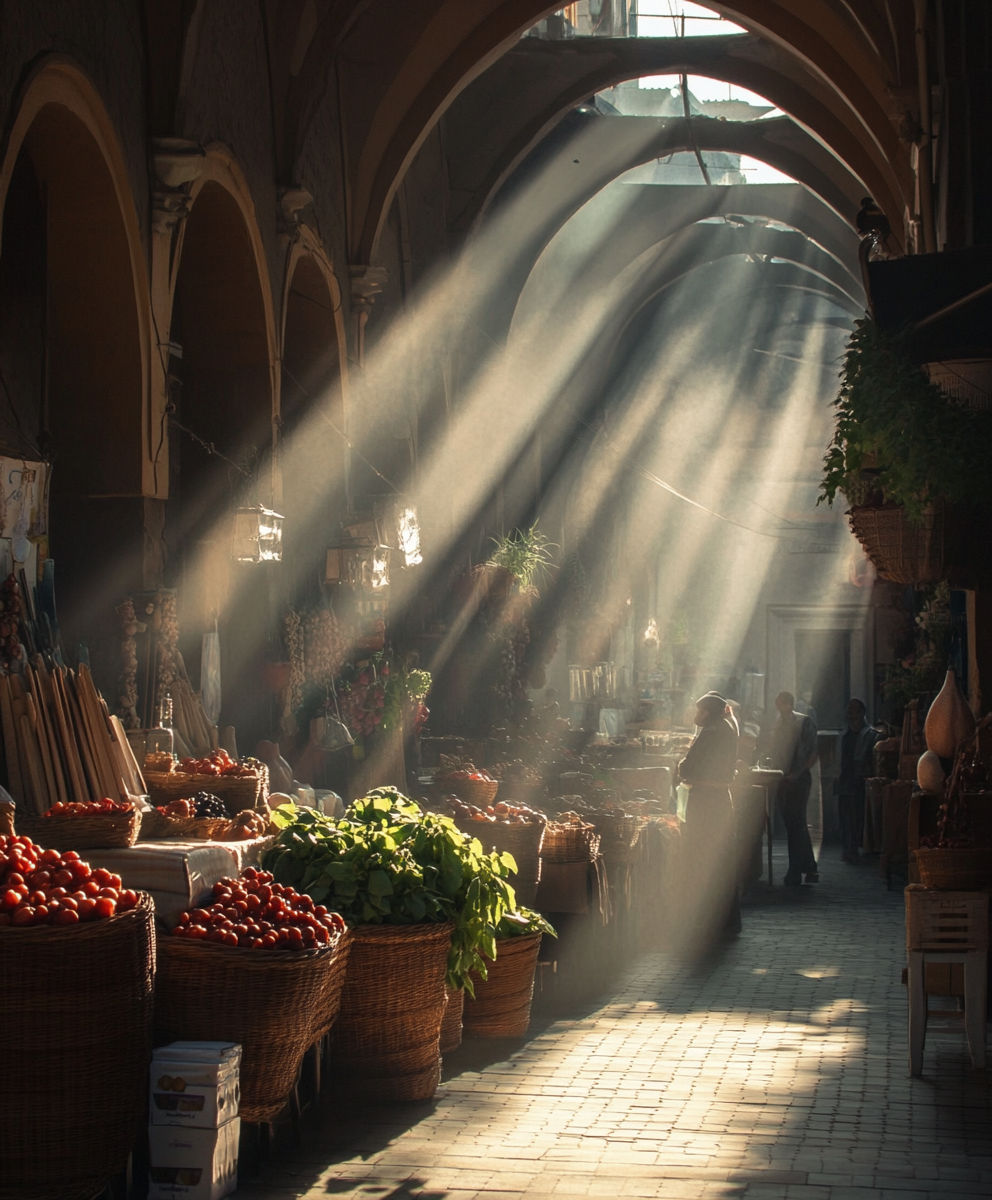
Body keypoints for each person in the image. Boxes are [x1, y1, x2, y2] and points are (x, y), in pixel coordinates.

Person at [677, 691, 742, 944]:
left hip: (706, 802)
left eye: (699, 711)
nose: (696, 716)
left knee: (704, 858)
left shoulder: (713, 731)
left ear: (709, 712)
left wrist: (683, 767)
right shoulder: (726, 726)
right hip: (718, 800)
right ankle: (726, 921)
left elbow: (688, 767)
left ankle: (711, 920)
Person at [769, 690, 819, 886]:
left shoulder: (803, 722)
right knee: (793, 823)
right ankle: (808, 866)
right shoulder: (779, 723)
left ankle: (796, 869)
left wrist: (796, 774)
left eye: (782, 703)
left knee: (796, 821)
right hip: (783, 777)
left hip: (798, 778)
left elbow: (812, 752)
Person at [836, 698, 880, 863]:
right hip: (846, 781)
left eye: (855, 712)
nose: (852, 716)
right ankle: (849, 848)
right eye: (849, 712)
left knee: (858, 817)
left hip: (860, 781)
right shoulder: (844, 734)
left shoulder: (871, 735)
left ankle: (857, 848)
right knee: (845, 817)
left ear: (863, 713)